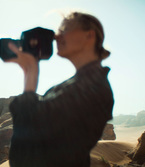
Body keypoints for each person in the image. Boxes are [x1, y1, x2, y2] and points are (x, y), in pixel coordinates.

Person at [6, 12, 114, 167]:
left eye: (65, 29)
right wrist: (29, 72)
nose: (56, 36)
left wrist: (31, 74)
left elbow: (27, 150)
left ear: (89, 35)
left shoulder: (93, 89)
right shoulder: (80, 84)